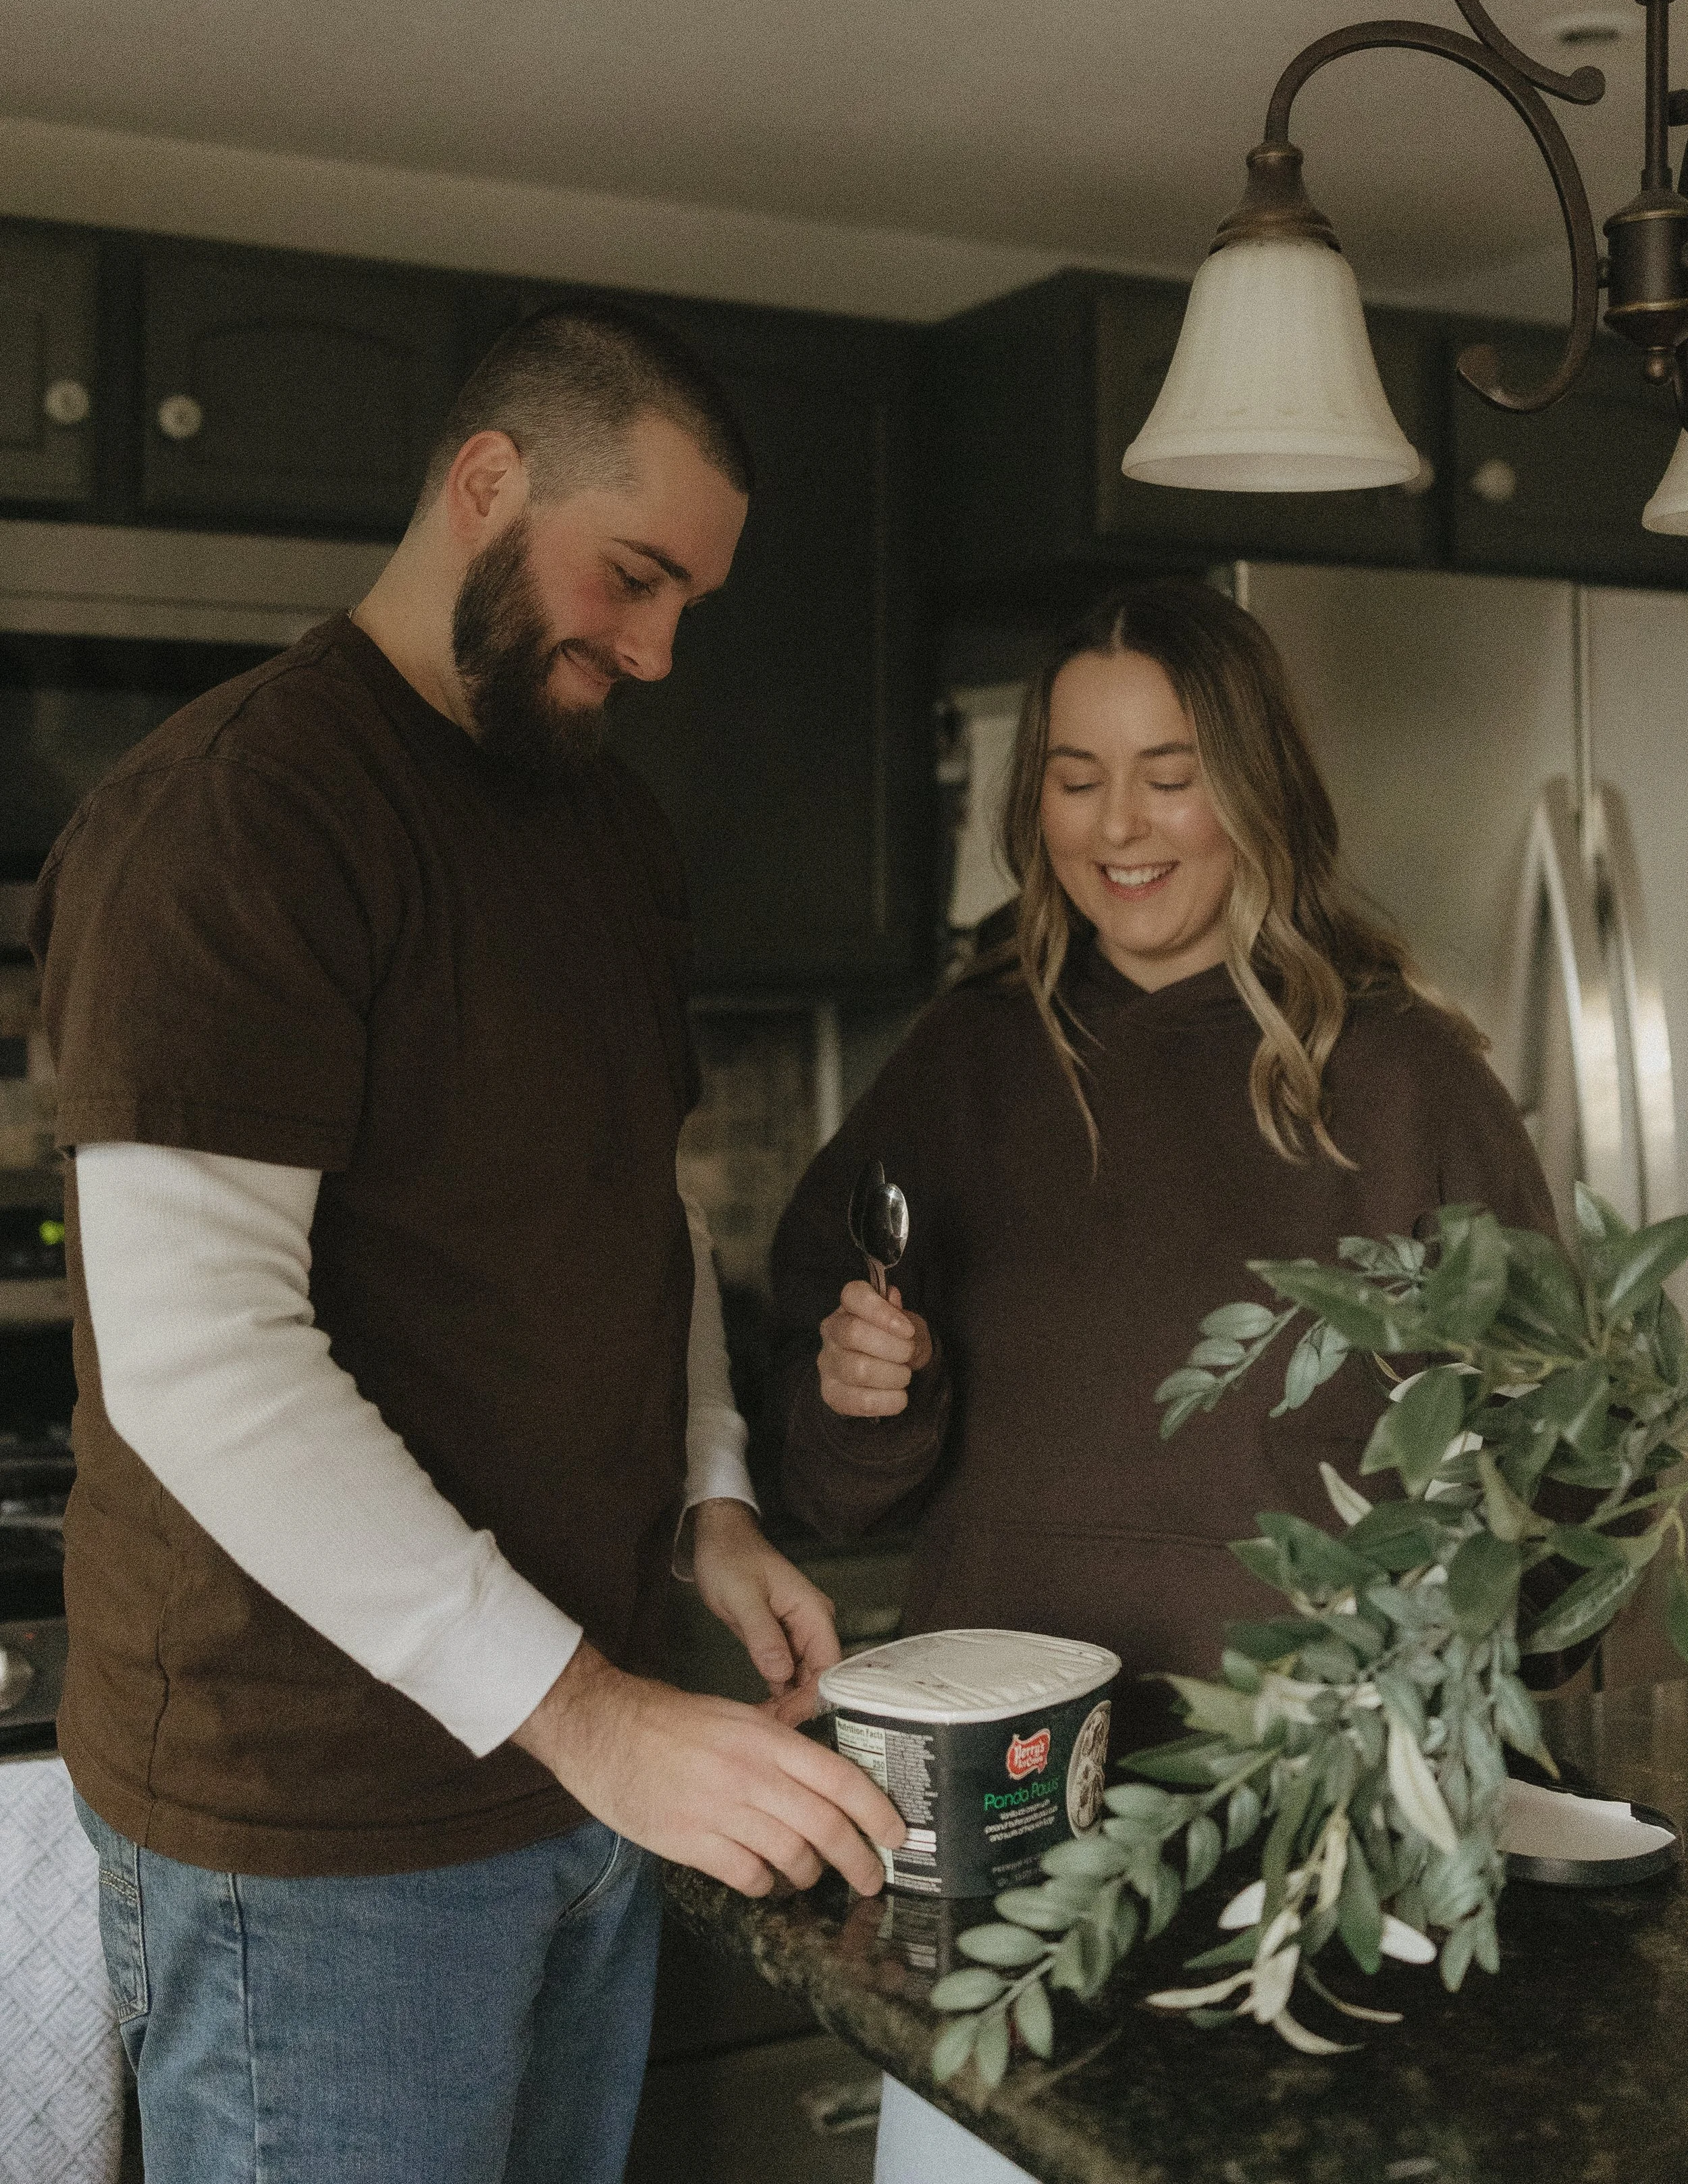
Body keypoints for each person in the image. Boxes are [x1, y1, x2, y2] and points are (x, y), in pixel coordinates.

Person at [30, 300, 903, 2184]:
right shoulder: (236, 819)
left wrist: (712, 1496)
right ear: (485, 482)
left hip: (573, 1766)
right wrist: (594, 1717)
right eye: (634, 575)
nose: (660, 647)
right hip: (322, 1829)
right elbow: (205, 1362)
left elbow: (629, 1197)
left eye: (691, 600)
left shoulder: (599, 827)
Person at [768, 579, 1557, 2184]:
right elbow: (835, 1473)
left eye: (1169, 769)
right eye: (1073, 775)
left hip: (1306, 1845)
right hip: (994, 1852)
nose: (1117, 824)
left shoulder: (1408, 1082)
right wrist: (866, 1395)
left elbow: (1548, 1472)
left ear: (1254, 785)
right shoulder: (961, 1066)